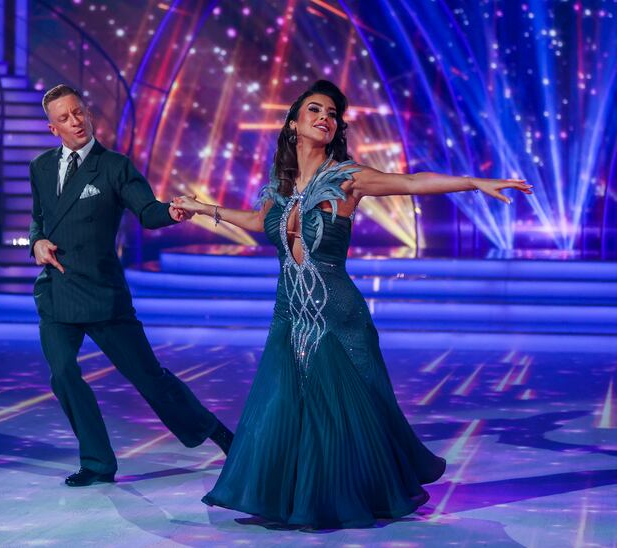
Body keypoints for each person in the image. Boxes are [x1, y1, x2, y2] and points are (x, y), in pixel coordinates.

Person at [173, 80, 532, 528]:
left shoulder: (347, 177)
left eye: (332, 112)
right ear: (293, 124)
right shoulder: (278, 189)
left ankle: (336, 498)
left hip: (337, 314)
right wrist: (203, 207)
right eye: (314, 110)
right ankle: (293, 497)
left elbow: (410, 182)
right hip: (288, 312)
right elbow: (256, 220)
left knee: (344, 413)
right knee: (286, 407)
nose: (325, 117)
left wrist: (473, 182)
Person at [28, 84, 233, 487]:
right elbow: (38, 218)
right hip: (57, 293)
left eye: (79, 112)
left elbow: (148, 211)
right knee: (63, 373)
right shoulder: (40, 167)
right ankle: (98, 463)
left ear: (88, 114)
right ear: (53, 128)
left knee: (149, 378)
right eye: (65, 118)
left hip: (103, 295)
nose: (76, 122)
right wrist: (36, 241)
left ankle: (218, 433)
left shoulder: (114, 166)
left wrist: (173, 212)